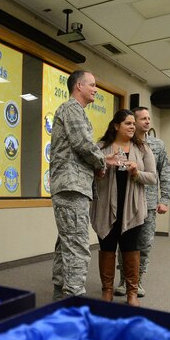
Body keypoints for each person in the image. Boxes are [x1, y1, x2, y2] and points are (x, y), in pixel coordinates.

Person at [50, 70, 117, 300]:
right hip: (71, 188)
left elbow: (82, 148)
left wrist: (101, 161)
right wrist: (101, 162)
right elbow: (83, 144)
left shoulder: (76, 112)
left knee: (66, 245)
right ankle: (73, 302)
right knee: (77, 248)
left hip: (73, 187)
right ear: (78, 85)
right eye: (92, 84)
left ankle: (61, 298)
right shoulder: (71, 109)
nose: (95, 89)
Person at [91, 109, 157, 306]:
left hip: (132, 208)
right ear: (116, 125)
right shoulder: (101, 147)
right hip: (105, 208)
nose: (132, 127)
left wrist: (137, 172)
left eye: (132, 123)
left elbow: (153, 177)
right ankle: (107, 291)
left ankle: (132, 293)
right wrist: (102, 170)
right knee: (107, 248)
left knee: (130, 249)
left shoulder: (142, 149)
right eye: (128, 123)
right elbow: (89, 174)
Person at [115, 106, 170, 298]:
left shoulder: (157, 145)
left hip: (148, 203)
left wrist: (164, 199)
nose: (147, 121)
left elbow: (165, 172)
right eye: (143, 119)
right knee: (124, 244)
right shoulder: (123, 143)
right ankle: (124, 280)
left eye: (149, 118)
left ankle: (137, 280)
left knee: (144, 244)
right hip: (127, 202)